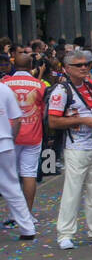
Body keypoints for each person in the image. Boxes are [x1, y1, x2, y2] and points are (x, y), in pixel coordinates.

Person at [46, 49, 92, 249]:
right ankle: (65, 234)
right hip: (75, 147)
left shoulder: (91, 86)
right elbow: (53, 121)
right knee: (73, 191)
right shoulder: (61, 91)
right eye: (79, 65)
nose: (85, 68)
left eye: (87, 64)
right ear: (67, 68)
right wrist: (83, 120)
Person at [2, 52, 44, 213]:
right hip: (33, 136)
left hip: (9, 135)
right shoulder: (40, 85)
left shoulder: (4, 83)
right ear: (31, 67)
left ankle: (12, 215)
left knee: (9, 176)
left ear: (14, 66)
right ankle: (26, 214)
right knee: (29, 174)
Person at [0, 78, 36, 239]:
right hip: (5, 143)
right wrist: (10, 138)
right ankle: (28, 229)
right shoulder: (5, 89)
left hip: (6, 142)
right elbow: (17, 119)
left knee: (12, 187)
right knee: (12, 187)